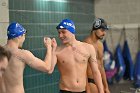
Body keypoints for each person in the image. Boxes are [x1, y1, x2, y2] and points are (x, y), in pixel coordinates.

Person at [48, 19, 104, 93]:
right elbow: (49, 70)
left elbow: (96, 72)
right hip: (65, 91)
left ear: (72, 31)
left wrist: (101, 91)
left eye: (63, 32)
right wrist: (50, 48)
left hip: (82, 91)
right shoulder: (57, 51)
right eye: (59, 33)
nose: (60, 36)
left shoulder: (88, 48)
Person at [3, 22, 53, 93]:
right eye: (24, 35)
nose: (24, 39)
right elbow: (47, 67)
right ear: (19, 36)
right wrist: (49, 47)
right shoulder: (22, 54)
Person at [84, 18, 110, 93]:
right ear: (95, 29)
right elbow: (83, 69)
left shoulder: (100, 45)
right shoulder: (86, 44)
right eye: (102, 30)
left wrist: (106, 87)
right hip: (90, 82)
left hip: (99, 81)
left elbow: (101, 66)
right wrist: (87, 88)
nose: (104, 33)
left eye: (105, 31)